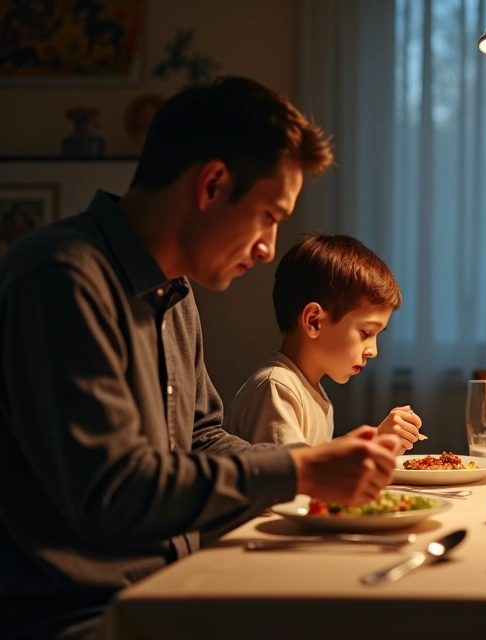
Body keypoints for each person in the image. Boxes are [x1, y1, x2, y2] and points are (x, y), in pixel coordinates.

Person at [0, 76, 405, 640]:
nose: (268, 249)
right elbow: (112, 493)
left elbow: (204, 437)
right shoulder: (63, 277)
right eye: (269, 215)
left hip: (174, 585)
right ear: (212, 185)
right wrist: (300, 469)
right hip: (83, 615)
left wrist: (316, 469)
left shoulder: (176, 293)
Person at [226, 232, 424, 447]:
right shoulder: (277, 387)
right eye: (366, 333)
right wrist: (372, 443)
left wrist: (379, 446)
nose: (373, 351)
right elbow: (295, 476)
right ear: (314, 322)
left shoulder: (311, 392)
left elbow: (319, 468)